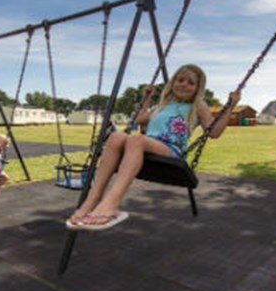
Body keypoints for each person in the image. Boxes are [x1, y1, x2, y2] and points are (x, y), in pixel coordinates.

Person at [67, 64, 241, 231]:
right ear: (172, 83)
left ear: (198, 88)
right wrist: (147, 98)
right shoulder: (162, 106)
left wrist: (231, 106)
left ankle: (111, 203)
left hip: (171, 150)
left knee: (136, 140)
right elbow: (139, 119)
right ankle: (93, 198)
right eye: (180, 80)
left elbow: (214, 132)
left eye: (191, 82)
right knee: (115, 137)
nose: (184, 85)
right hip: (147, 144)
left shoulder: (198, 107)